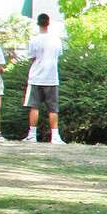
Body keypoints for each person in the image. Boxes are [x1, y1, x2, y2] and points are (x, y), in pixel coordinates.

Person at [22, 13, 63, 144]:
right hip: (52, 77)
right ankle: (55, 136)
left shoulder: (34, 40)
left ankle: (32, 135)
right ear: (48, 23)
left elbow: (32, 57)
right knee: (53, 108)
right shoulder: (56, 40)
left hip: (36, 77)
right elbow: (58, 56)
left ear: (38, 24)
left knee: (34, 107)